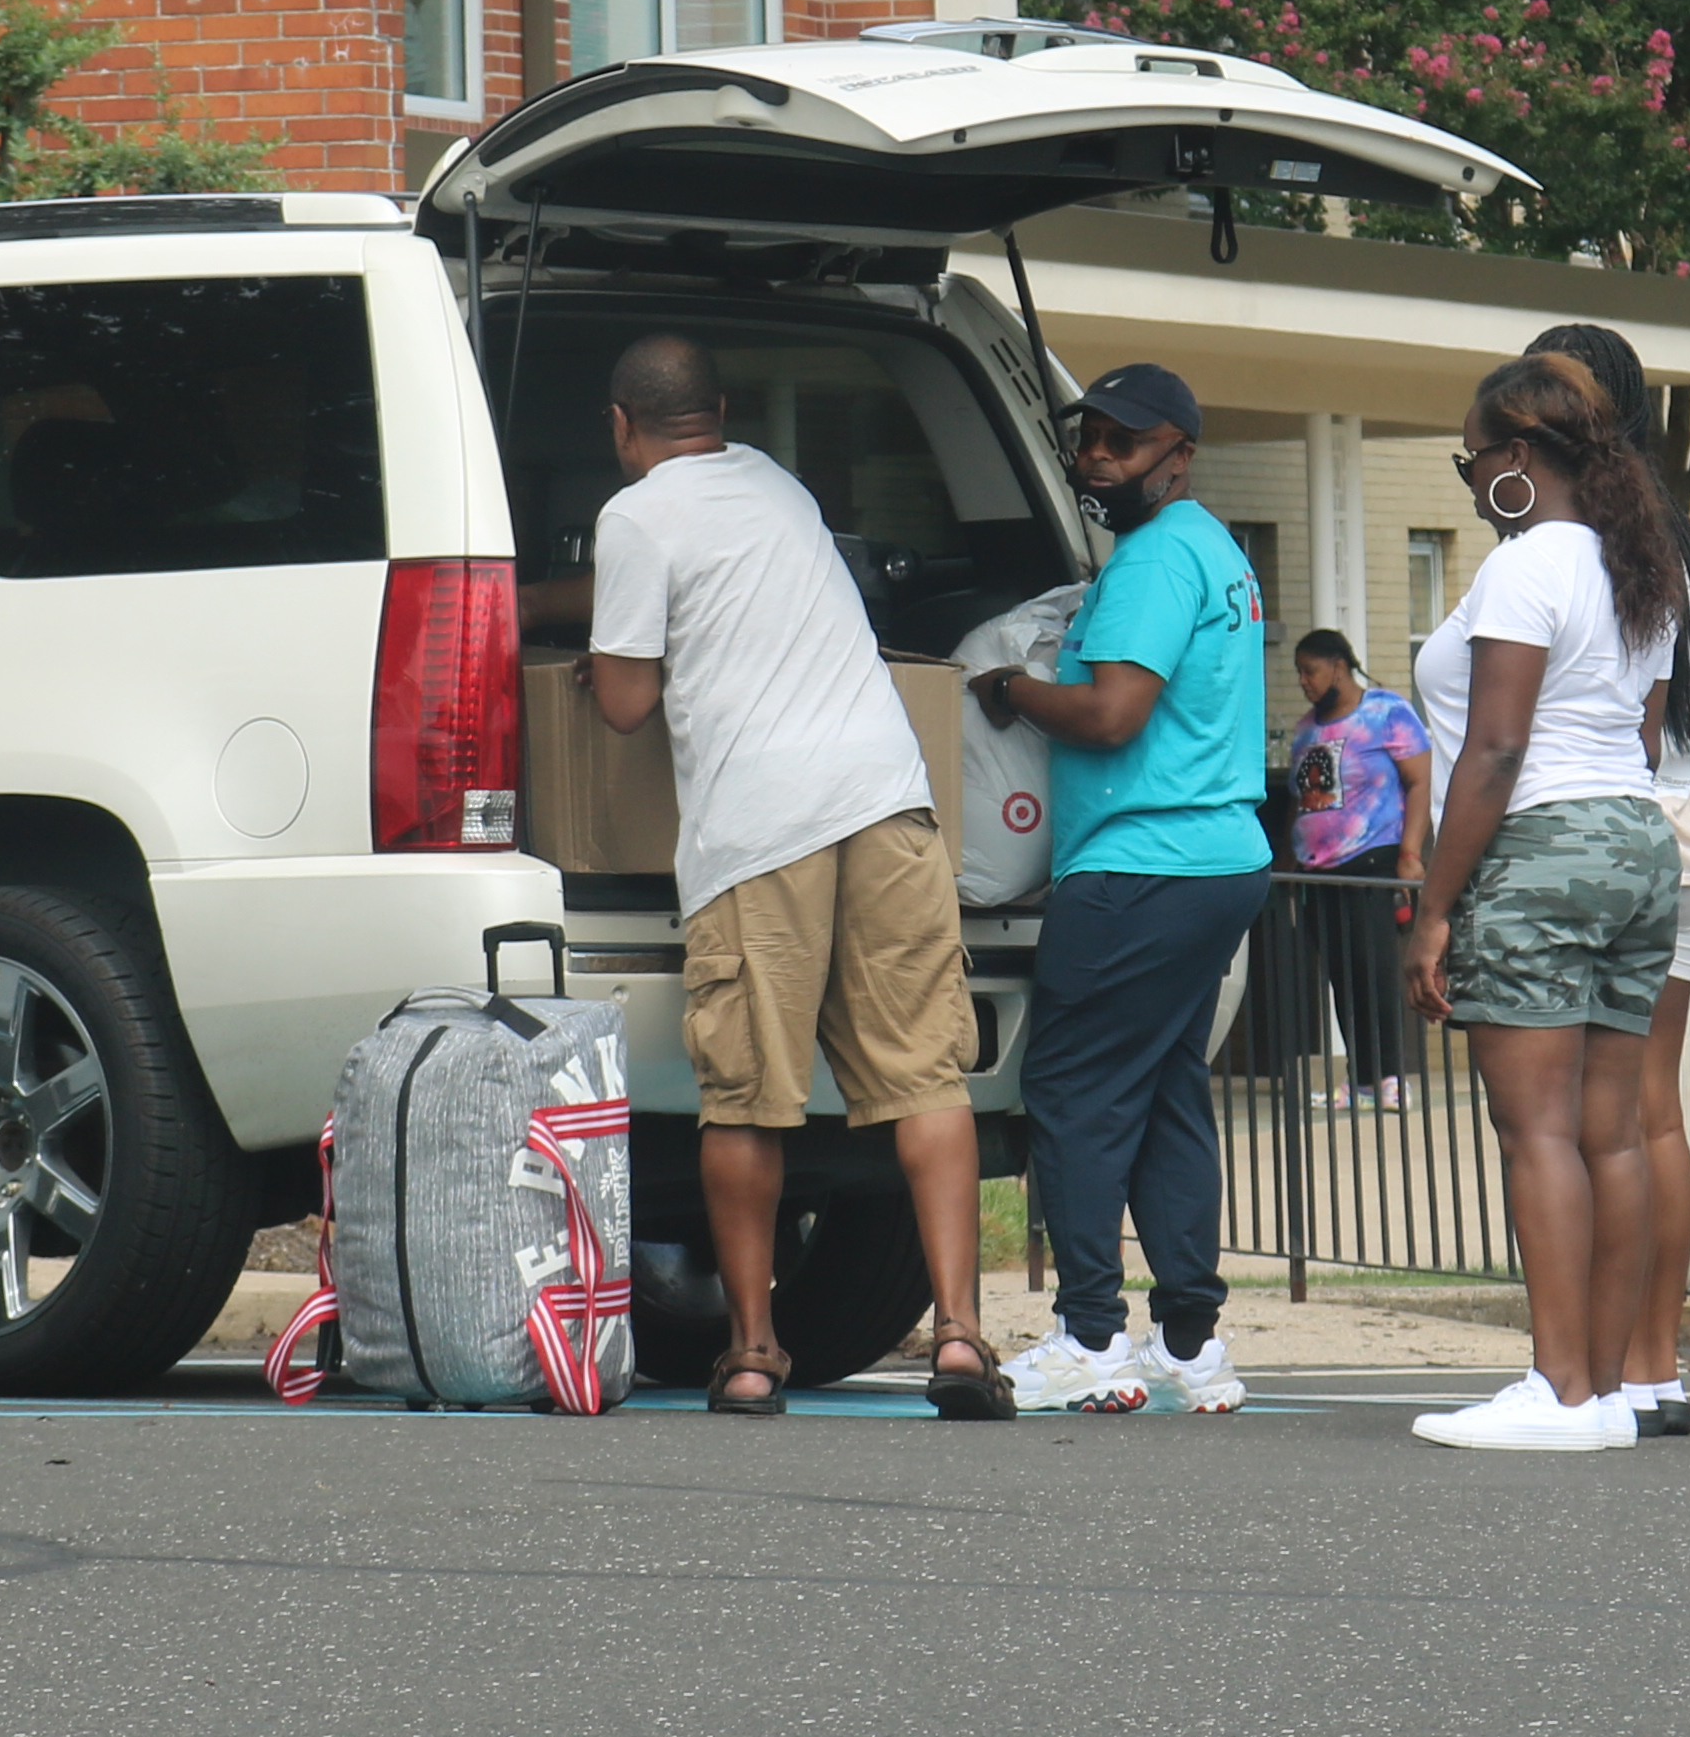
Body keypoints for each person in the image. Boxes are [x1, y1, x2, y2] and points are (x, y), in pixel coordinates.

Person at [582, 331, 1013, 1421]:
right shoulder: (777, 484)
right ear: (719, 409)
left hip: (758, 828)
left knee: (748, 1098)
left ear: (620, 427)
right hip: (885, 798)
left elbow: (627, 700)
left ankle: (753, 1348)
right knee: (925, 1075)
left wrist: (593, 653)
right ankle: (960, 1335)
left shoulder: (633, 517)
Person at [1395, 355, 1690, 1449]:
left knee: (1538, 1135)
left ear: (1518, 458)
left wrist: (1435, 909)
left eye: (1472, 459)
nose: (1470, 481)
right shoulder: (1636, 565)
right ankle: (1607, 1390)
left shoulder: (1526, 568)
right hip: (1634, 840)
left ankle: (1557, 1388)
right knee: (1612, 1137)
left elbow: (1498, 746)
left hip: (1540, 847)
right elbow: (1646, 735)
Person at [969, 362, 1273, 1416]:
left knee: (1076, 1092)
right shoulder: (1219, 554)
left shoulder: (1150, 559)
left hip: (1140, 864)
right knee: (1165, 1099)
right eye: (1087, 438)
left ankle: (1090, 1334)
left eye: (1121, 442)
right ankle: (1191, 1342)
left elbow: (1110, 716)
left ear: (1178, 456)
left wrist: (1011, 688)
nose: (1096, 458)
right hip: (1220, 857)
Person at [1527, 318, 1690, 1435]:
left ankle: (1607, 1365)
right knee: (1654, 1109)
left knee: (1600, 1114)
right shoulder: (1682, 535)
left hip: (1613, 822)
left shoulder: (1581, 532)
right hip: (1688, 819)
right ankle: (1652, 1362)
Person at [1281, 631, 1431, 1105]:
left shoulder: (1385, 712)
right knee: (1340, 974)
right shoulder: (1306, 729)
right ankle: (1361, 1078)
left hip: (1370, 857)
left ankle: (1390, 1076)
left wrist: (1410, 852)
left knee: (1374, 967)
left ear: (1339, 667)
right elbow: (1299, 801)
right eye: (1299, 672)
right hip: (1316, 868)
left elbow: (1420, 782)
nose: (1303, 681)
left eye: (1311, 670)